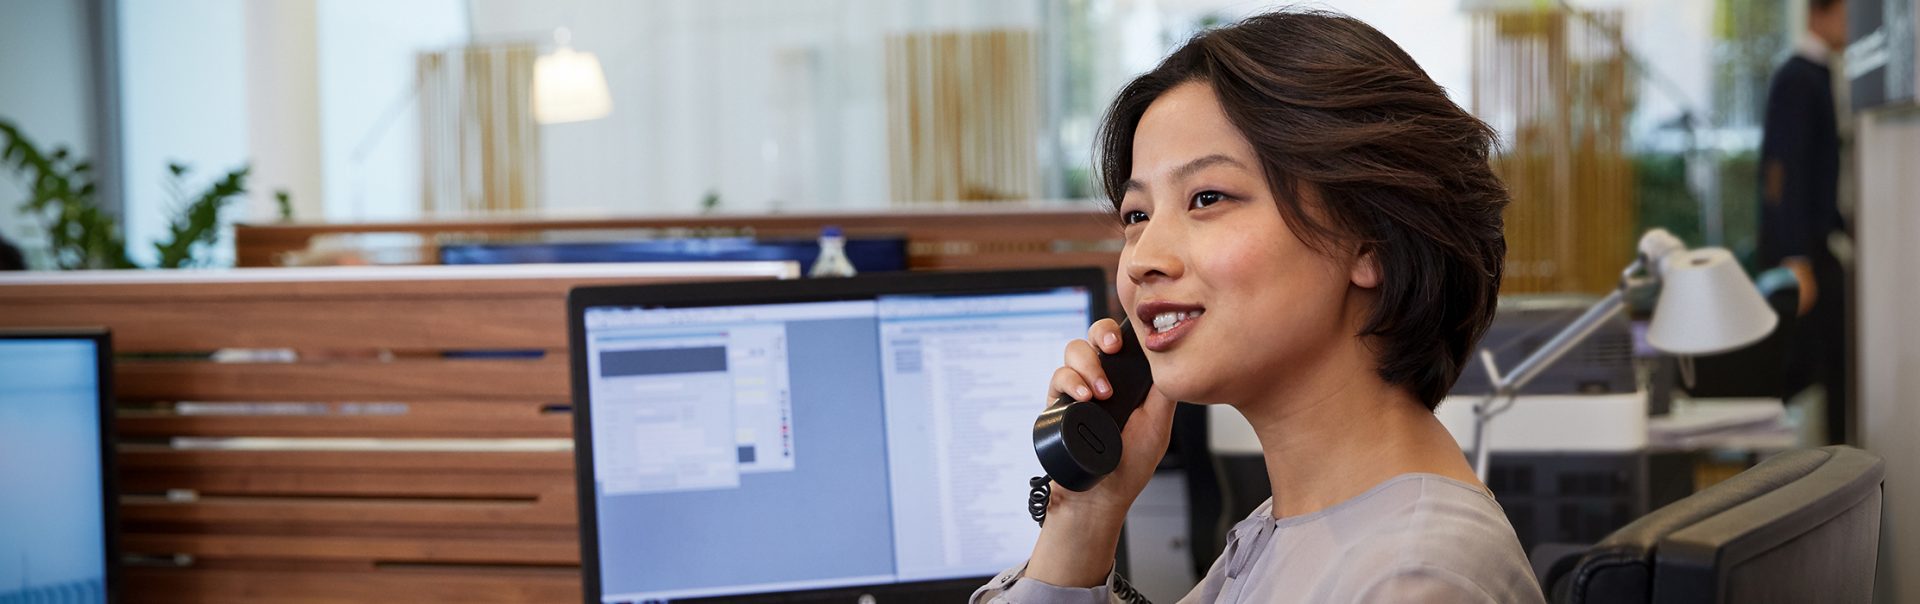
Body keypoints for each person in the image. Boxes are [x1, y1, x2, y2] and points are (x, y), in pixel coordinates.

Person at [972, 10, 1540, 604]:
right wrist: (1085, 511)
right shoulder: (1299, 529)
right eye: (1137, 216)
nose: (1143, 260)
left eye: (1207, 198)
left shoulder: (1412, 581)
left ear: (1372, 243)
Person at [1758, 0, 1850, 444]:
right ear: (1824, 12)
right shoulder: (1798, 77)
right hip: (1801, 254)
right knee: (1807, 364)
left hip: (1813, 245)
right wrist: (1796, 259)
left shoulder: (1815, 73)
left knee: (1830, 360)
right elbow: (1782, 172)